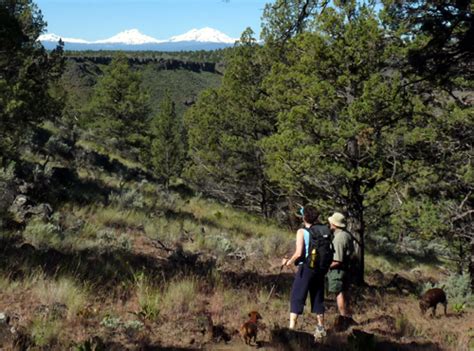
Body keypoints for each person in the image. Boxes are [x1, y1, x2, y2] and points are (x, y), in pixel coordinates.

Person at [281, 205, 329, 340]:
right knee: (318, 299)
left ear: (304, 217)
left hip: (306, 268)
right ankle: (320, 330)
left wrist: (288, 262)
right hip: (319, 269)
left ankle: (291, 330)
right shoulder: (322, 231)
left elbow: (298, 253)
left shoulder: (302, 232)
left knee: (297, 296)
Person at [327, 212, 354, 321]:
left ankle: (344, 318)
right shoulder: (347, 235)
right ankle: (348, 317)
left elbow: (337, 260)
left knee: (340, 293)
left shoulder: (339, 239)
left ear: (334, 224)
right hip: (346, 269)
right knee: (345, 292)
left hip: (338, 271)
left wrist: (325, 266)